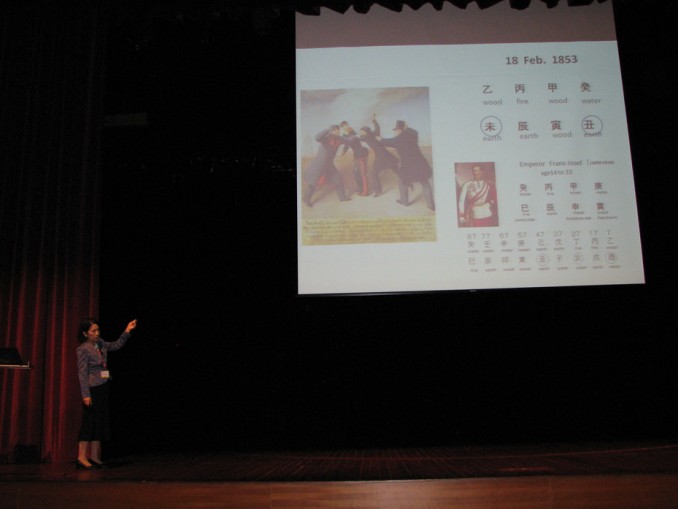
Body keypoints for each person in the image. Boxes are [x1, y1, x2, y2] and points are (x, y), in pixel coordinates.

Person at [75, 317, 137, 469]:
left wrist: (127, 331)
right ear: (85, 333)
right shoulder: (83, 349)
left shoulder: (100, 344)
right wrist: (85, 394)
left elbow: (115, 345)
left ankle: (94, 456)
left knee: (100, 422)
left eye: (98, 330)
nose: (97, 333)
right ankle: (81, 457)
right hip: (92, 388)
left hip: (103, 386)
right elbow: (82, 373)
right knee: (89, 423)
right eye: (93, 331)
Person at [379, 120, 435, 211]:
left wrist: (379, 139)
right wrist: (406, 127)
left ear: (398, 130)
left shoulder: (397, 139)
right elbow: (413, 131)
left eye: (395, 130)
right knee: (425, 182)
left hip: (409, 166)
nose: (395, 132)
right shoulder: (413, 135)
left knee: (402, 180)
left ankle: (404, 201)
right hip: (420, 163)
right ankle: (431, 205)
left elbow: (386, 142)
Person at [302, 125, 350, 207]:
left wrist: (344, 151)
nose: (337, 131)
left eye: (338, 130)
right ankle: (306, 200)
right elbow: (317, 137)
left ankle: (342, 197)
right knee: (313, 182)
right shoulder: (326, 138)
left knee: (338, 179)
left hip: (329, 164)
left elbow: (348, 141)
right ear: (331, 131)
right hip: (319, 164)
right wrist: (327, 130)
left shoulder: (340, 138)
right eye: (335, 130)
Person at [359, 115, 399, 197]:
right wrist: (374, 120)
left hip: (380, 156)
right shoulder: (375, 133)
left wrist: (349, 133)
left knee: (373, 173)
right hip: (386, 154)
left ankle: (378, 191)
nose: (361, 133)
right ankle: (407, 179)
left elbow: (357, 138)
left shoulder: (365, 137)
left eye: (361, 132)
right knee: (395, 169)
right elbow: (377, 127)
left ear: (365, 132)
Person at [340, 121, 370, 196]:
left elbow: (351, 140)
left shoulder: (352, 132)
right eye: (343, 126)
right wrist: (343, 152)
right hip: (356, 155)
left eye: (346, 125)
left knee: (363, 174)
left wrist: (343, 139)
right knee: (356, 173)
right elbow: (346, 144)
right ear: (342, 128)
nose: (345, 127)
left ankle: (365, 191)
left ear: (348, 125)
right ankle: (360, 188)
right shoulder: (345, 135)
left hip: (361, 154)